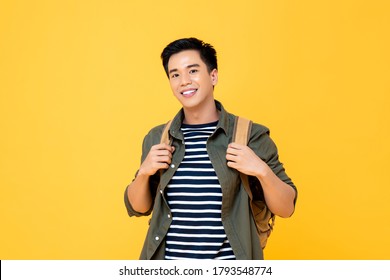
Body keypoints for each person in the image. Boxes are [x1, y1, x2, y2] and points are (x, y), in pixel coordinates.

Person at [124, 37, 297, 260]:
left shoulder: (249, 135)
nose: (184, 81)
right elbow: (138, 207)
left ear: (213, 75)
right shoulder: (158, 137)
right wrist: (145, 172)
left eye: (193, 71)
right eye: (175, 75)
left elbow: (287, 208)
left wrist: (261, 170)